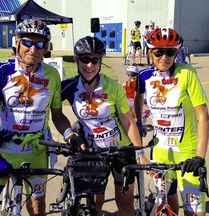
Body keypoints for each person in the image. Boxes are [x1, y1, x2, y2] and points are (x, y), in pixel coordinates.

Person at [0, 19, 84, 216]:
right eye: (27, 42)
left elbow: (57, 114)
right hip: (3, 150)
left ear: (46, 47)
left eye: (39, 43)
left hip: (36, 151)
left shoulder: (52, 75)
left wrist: (69, 133)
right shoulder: (2, 70)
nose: (33, 49)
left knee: (38, 210)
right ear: (16, 42)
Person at [61, 36, 150, 216]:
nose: (90, 65)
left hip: (120, 149)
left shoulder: (113, 87)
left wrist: (140, 153)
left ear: (101, 62)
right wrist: (68, 132)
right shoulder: (68, 87)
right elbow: (55, 112)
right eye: (85, 59)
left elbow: (127, 121)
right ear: (77, 60)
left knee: (125, 204)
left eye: (95, 60)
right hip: (91, 151)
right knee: (95, 204)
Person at [134, 28, 209, 215]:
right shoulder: (144, 76)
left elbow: (203, 116)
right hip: (160, 153)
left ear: (177, 53)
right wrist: (139, 122)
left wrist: (199, 157)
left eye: (170, 52)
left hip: (188, 153)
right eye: (159, 52)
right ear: (150, 52)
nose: (164, 57)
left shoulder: (187, 73)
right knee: (167, 205)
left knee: (195, 212)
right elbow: (138, 97)